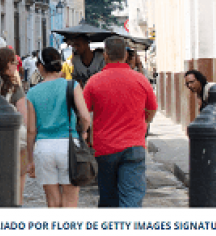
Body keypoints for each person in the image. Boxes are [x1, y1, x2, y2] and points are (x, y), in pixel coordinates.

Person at [83, 36, 158, 207]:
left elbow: (84, 114)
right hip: (134, 145)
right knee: (131, 196)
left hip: (105, 148)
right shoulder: (140, 80)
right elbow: (152, 108)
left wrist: (85, 134)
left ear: (105, 56)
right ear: (125, 55)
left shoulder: (93, 82)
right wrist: (144, 122)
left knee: (108, 197)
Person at [26, 48, 91, 208]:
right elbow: (85, 116)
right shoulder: (72, 86)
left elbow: (31, 130)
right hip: (69, 145)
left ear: (40, 66)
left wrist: (29, 159)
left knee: (53, 201)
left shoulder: (33, 93)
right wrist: (83, 131)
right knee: (70, 201)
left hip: (44, 147)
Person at [0, 47, 28, 205]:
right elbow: (23, 115)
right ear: (6, 64)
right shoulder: (14, 88)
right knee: (19, 177)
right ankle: (15, 208)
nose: (16, 66)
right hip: (15, 140)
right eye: (13, 62)